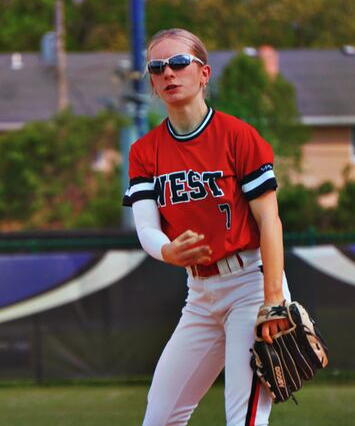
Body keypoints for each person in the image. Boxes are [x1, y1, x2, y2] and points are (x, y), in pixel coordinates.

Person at [122, 28, 292, 426]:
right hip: (199, 294)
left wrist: (273, 301)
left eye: (179, 62)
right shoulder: (144, 151)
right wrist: (167, 251)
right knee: (160, 417)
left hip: (251, 283)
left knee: (244, 417)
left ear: (203, 73)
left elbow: (270, 220)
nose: (168, 73)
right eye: (157, 66)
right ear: (151, 80)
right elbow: (146, 227)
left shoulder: (238, 136)